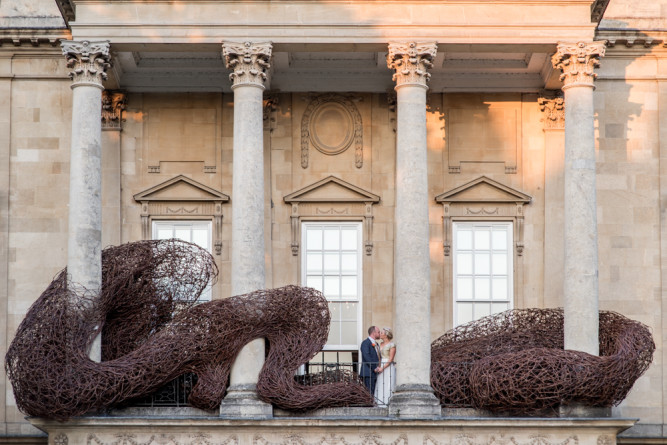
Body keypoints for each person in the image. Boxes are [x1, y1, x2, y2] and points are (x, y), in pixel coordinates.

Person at [374, 327, 396, 406]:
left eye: (382, 333)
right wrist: (378, 367)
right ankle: (379, 402)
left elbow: (391, 359)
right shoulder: (380, 344)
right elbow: (378, 356)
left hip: (388, 366)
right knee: (380, 383)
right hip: (380, 365)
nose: (380, 334)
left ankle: (387, 402)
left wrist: (382, 368)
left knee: (388, 383)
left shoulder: (392, 345)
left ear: (386, 335)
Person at [359, 326, 381, 396]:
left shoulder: (377, 344)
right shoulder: (365, 343)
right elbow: (366, 356)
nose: (379, 334)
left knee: (374, 392)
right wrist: (374, 367)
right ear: (374, 333)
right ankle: (369, 406)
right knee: (369, 393)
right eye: (378, 332)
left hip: (375, 372)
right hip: (368, 372)